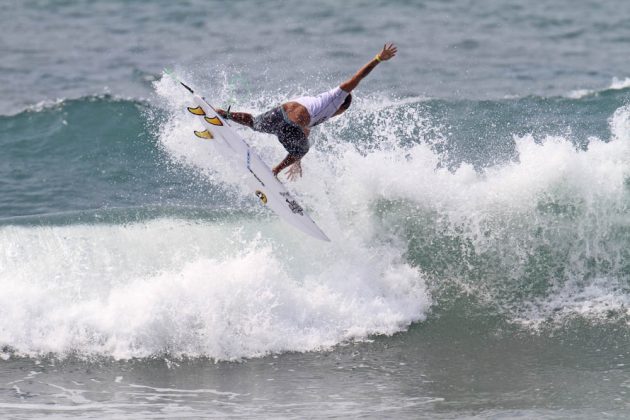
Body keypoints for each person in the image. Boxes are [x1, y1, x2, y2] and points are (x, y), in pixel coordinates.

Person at [216, 43, 398, 180]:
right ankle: (275, 172)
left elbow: (303, 132)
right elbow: (358, 77)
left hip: (284, 113)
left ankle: (225, 114)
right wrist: (378, 59)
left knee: (255, 123)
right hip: (294, 120)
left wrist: (297, 160)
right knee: (303, 148)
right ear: (343, 107)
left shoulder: (319, 109)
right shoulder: (337, 97)